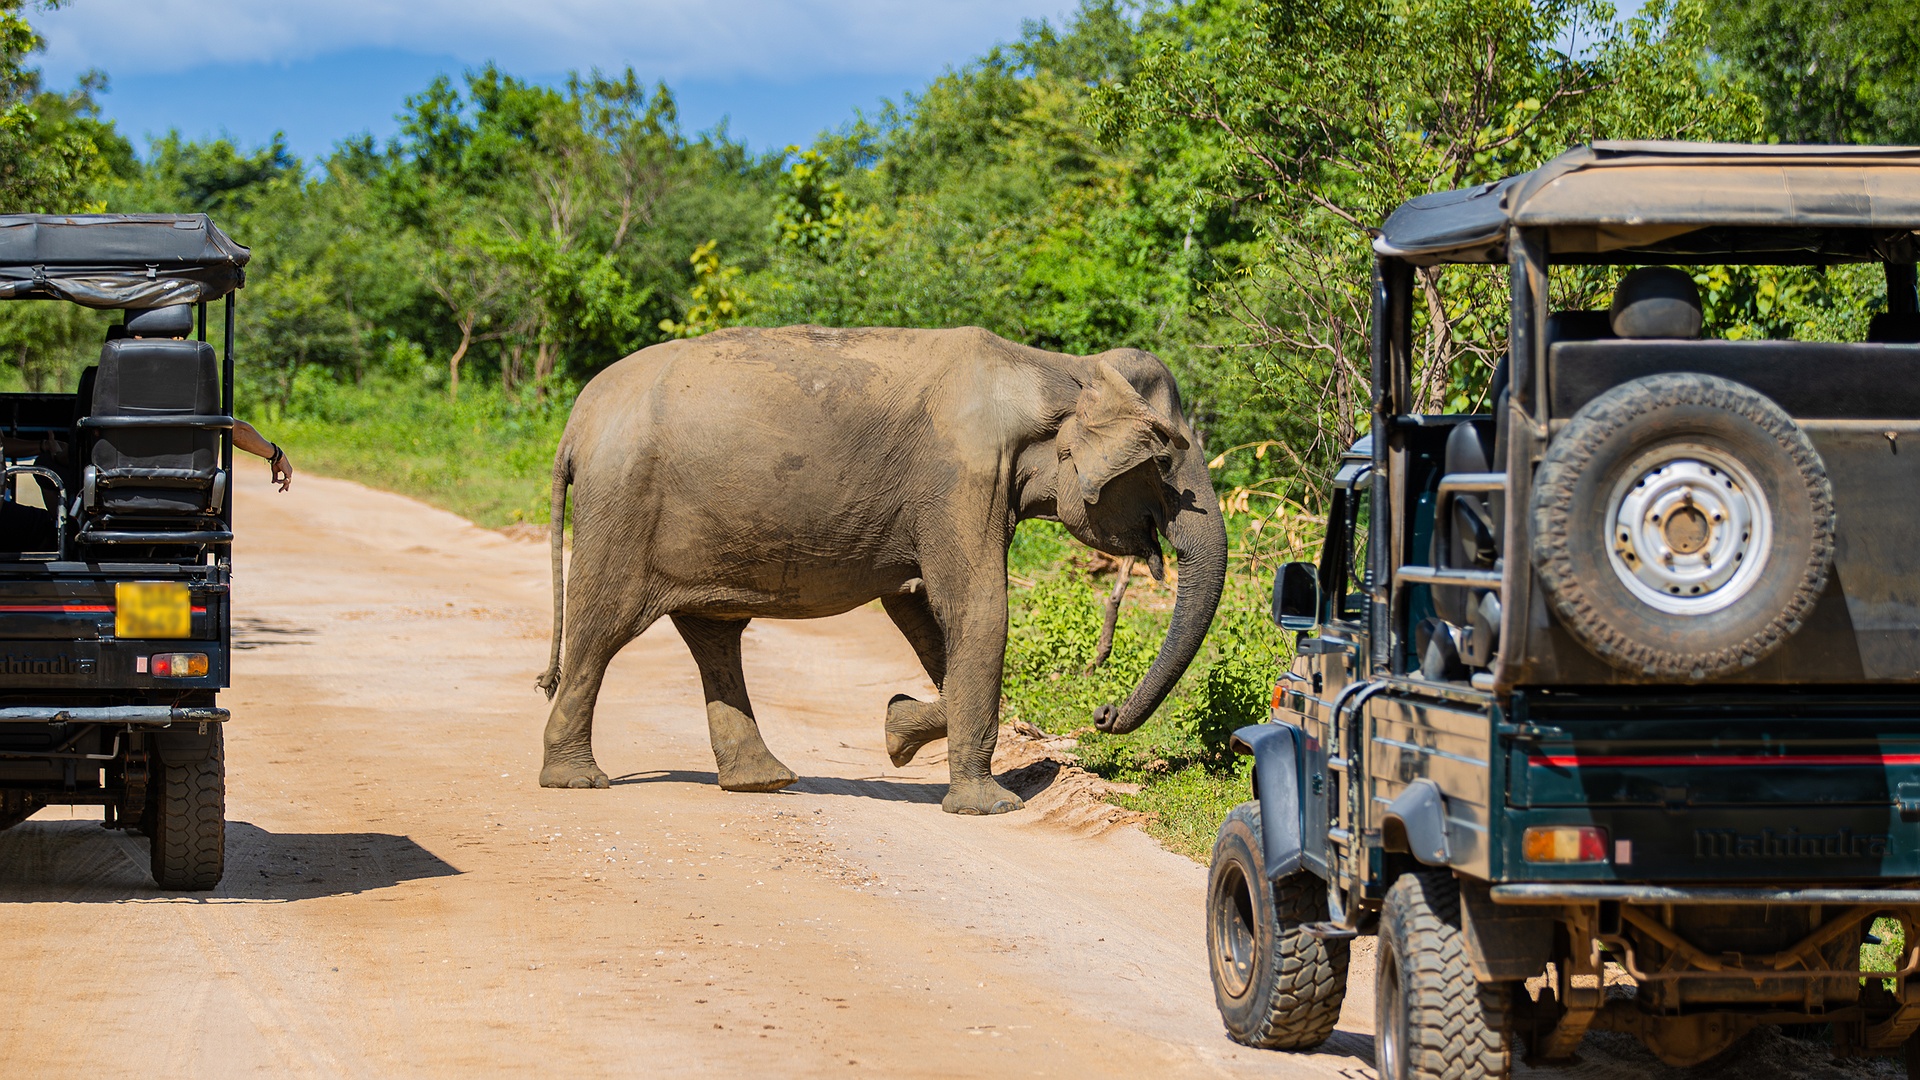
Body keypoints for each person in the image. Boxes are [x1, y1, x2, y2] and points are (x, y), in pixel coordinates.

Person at [123, 305, 294, 491]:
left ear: (135, 333)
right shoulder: (192, 367)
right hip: (189, 486)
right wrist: (276, 455)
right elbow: (237, 431)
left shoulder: (114, 366)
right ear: (179, 334)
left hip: (117, 484)